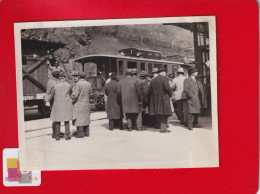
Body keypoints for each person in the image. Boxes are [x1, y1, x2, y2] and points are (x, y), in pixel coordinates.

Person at [49, 74, 74, 141]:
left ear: (59, 79)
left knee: (57, 120)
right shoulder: (68, 85)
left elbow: (52, 95)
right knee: (66, 120)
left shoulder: (55, 86)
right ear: (64, 79)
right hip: (66, 104)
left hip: (58, 105)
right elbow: (71, 92)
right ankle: (67, 135)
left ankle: (57, 136)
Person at [149, 66, 172, 133]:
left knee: (158, 114)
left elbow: (150, 91)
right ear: (162, 72)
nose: (165, 74)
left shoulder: (153, 80)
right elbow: (167, 88)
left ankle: (159, 126)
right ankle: (163, 129)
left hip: (156, 100)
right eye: (165, 72)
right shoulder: (165, 79)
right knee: (164, 114)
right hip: (164, 99)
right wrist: (170, 94)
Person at [71, 71, 92, 138]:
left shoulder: (78, 84)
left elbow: (75, 95)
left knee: (79, 119)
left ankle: (80, 134)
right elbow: (90, 93)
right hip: (86, 103)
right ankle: (87, 132)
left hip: (78, 104)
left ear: (79, 76)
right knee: (86, 118)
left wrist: (70, 99)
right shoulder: (88, 84)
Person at [44, 71, 65, 139]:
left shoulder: (51, 81)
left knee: (57, 117)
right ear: (57, 76)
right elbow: (49, 92)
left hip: (56, 100)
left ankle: (57, 131)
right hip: (54, 101)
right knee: (56, 117)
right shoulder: (53, 82)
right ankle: (55, 133)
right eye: (59, 75)